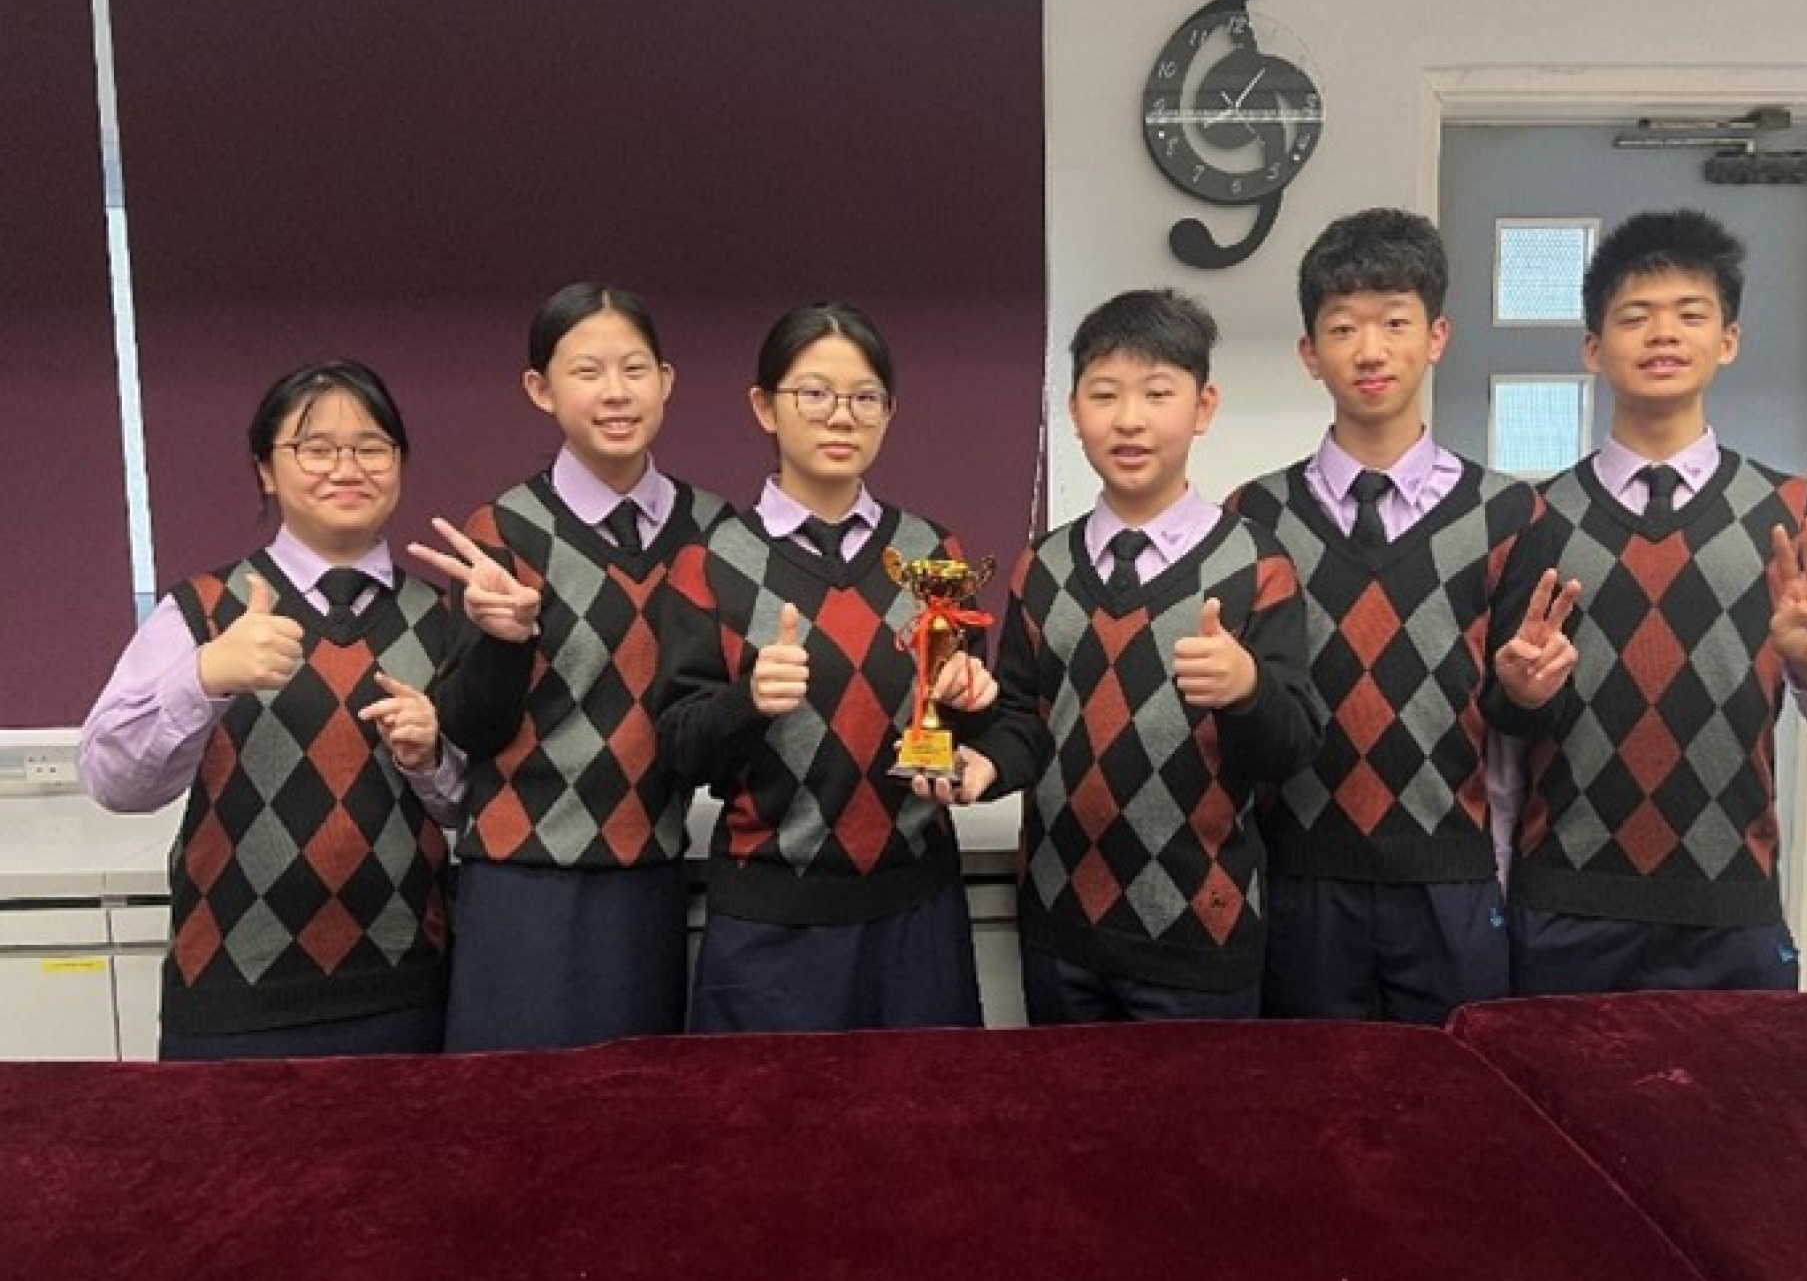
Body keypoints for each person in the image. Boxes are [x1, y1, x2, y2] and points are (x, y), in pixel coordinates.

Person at [1508, 208, 1807, 993]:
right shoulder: (1533, 516)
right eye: (1636, 316)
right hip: (1561, 907)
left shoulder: (1799, 516)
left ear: (1728, 340)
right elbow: (1496, 738)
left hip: (1732, 913)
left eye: (1690, 314)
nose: (1663, 334)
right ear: (1593, 348)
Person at [1227, 208, 1579, 1025]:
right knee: (1309, 1094)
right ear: (1309, 353)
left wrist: (1527, 692)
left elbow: (1523, 711)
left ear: (1437, 336)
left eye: (1394, 322)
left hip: (1451, 877)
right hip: (1300, 876)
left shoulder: (1510, 514)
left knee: (1457, 1092)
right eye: (1343, 328)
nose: (1371, 350)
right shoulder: (1252, 517)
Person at [944, 287, 1323, 1024]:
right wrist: (986, 766)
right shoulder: (1042, 567)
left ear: (1203, 407)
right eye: (1105, 394)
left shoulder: (1256, 564)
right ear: (1074, 411)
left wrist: (1246, 688)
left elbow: (1294, 747)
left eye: (1157, 393)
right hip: (1059, 929)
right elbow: (1024, 721)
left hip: (1202, 939)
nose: (1129, 419)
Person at [78, 360, 459, 1060]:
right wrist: (204, 676)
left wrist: (431, 758)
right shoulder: (202, 610)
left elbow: (475, 807)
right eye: (316, 448)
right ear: (266, 470)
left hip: (406, 988)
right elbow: (113, 781)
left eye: (371, 447)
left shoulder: (442, 617)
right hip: (232, 994)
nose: (346, 468)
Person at [655, 301, 993, 1033]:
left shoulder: (933, 555)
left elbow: (968, 726)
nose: (841, 416)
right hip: (771, 926)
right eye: (814, 393)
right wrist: (749, 699)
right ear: (764, 407)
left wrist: (973, 702)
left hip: (917, 916)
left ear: (888, 413)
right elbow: (677, 748)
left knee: (930, 1106)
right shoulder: (711, 563)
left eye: (865, 397)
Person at [414, 283, 727, 1050]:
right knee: (512, 1108)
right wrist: (504, 639)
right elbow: (470, 728)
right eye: (587, 371)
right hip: (521, 878)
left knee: (638, 1108)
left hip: (651, 867)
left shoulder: (716, 531)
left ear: (665, 381)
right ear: (540, 389)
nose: (615, 392)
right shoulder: (502, 529)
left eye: (634, 368)